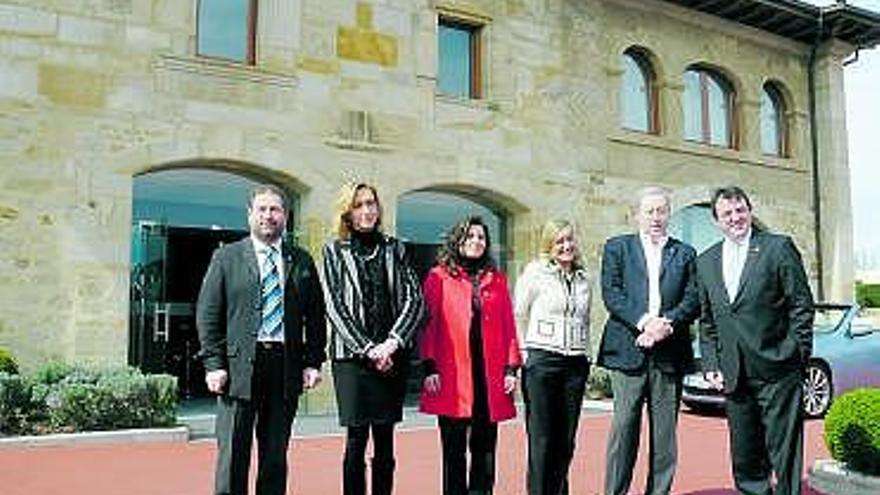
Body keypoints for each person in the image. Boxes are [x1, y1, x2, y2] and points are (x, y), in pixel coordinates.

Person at [196, 184, 326, 495]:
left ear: (285, 215)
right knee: (233, 456)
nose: (269, 216)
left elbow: (316, 316)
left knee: (274, 457)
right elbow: (208, 313)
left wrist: (313, 361)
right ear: (250, 214)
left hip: (284, 368)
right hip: (237, 369)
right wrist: (214, 363)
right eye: (262, 209)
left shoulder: (301, 260)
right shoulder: (226, 258)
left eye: (275, 209)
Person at [696, 186, 814, 495]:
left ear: (749, 211)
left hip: (778, 369)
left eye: (740, 210)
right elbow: (707, 321)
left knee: (783, 453)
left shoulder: (777, 248)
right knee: (746, 457)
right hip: (735, 375)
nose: (735, 218)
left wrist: (796, 353)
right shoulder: (706, 261)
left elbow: (801, 305)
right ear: (716, 221)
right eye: (727, 214)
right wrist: (711, 363)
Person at [321, 182, 424, 495]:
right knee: (355, 440)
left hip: (392, 357)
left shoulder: (396, 248)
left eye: (371, 203)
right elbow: (334, 306)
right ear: (348, 213)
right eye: (359, 205)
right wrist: (368, 349)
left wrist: (392, 342)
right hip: (352, 361)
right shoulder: (333, 251)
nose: (367, 210)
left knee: (385, 439)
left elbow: (415, 299)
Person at [596, 186, 700, 495]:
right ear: (637, 214)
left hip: (669, 352)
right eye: (650, 211)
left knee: (665, 437)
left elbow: (693, 297)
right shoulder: (617, 247)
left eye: (662, 211)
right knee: (624, 429)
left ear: (669, 214)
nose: (656, 217)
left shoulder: (685, 253)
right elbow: (612, 293)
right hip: (628, 350)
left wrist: (666, 324)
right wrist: (645, 322)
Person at [419, 215, 522, 495]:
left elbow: (508, 326)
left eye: (481, 237)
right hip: (452, 375)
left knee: (485, 450)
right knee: (453, 453)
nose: (477, 242)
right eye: (470, 236)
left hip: (488, 377)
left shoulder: (496, 279)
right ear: (458, 241)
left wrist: (511, 369)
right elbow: (429, 326)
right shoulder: (438, 276)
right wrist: (429, 367)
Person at [515, 219, 592, 495]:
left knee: (566, 441)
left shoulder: (584, 277)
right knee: (542, 439)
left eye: (569, 239)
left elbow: (585, 320)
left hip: (575, 364)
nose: (566, 246)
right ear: (549, 244)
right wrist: (525, 354)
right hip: (542, 362)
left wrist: (586, 355)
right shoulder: (535, 273)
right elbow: (518, 314)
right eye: (559, 241)